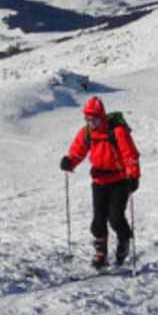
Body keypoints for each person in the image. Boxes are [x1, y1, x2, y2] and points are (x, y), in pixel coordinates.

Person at [59, 96, 141, 269]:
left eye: (93, 119)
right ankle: (101, 253)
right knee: (98, 220)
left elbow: (130, 154)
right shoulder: (87, 132)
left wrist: (133, 176)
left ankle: (124, 239)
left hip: (119, 180)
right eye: (87, 119)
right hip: (99, 180)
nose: (90, 122)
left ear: (101, 116)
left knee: (115, 217)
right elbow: (78, 150)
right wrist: (69, 161)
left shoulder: (116, 131)